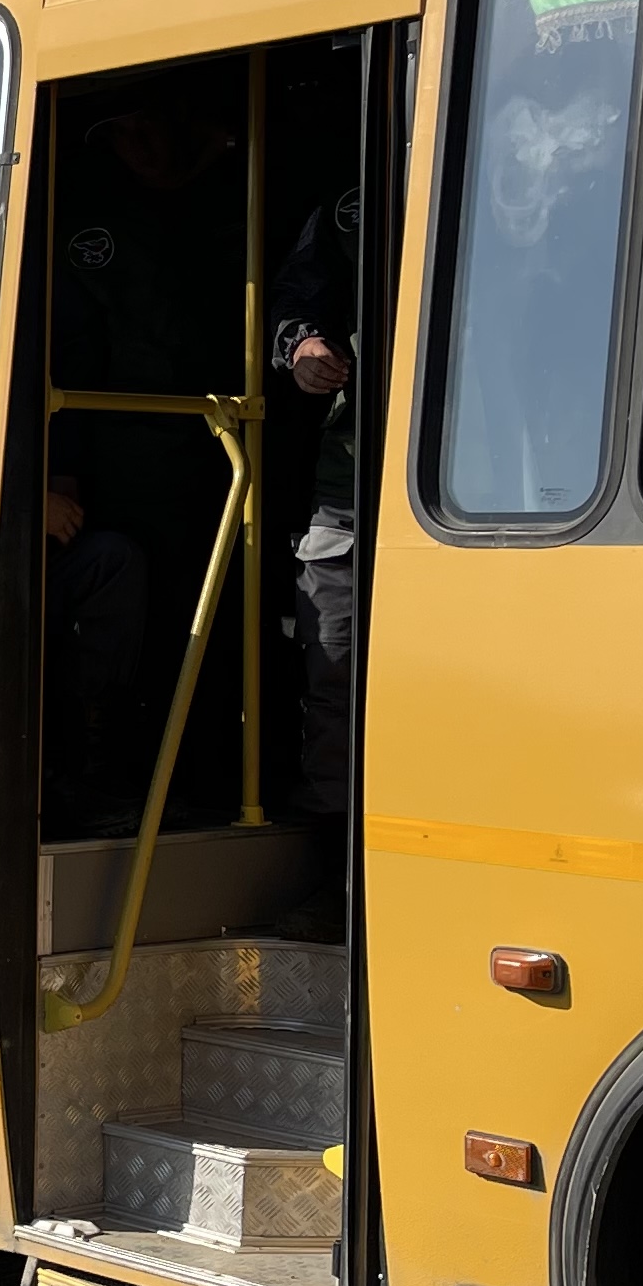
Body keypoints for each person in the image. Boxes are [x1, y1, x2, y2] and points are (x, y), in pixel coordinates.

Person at [271, 177, 366, 857]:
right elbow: (292, 300)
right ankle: (332, 870)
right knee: (332, 670)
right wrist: (300, 347)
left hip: (501, 482)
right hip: (347, 488)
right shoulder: (347, 201)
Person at [41, 460, 148, 831]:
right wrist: (29, 508)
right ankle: (53, 786)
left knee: (113, 559)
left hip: (36, 556)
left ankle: (91, 770)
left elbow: (67, 501)